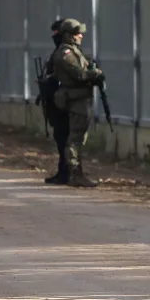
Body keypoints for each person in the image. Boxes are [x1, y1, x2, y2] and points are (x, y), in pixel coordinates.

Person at [51, 18, 102, 188]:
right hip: (77, 100)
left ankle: (76, 172)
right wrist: (95, 74)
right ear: (69, 35)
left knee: (79, 137)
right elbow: (79, 74)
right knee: (75, 138)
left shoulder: (73, 51)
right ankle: (74, 173)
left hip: (81, 99)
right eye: (76, 33)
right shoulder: (66, 54)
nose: (80, 35)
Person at [39, 20, 71, 184]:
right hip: (56, 103)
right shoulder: (58, 52)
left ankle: (67, 172)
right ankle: (63, 171)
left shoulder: (65, 53)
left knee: (64, 138)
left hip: (63, 104)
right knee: (60, 138)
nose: (54, 37)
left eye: (57, 33)